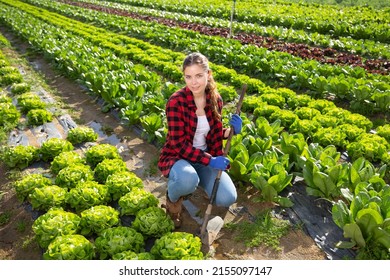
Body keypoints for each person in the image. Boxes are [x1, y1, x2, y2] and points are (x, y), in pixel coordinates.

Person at [158, 52, 242, 228]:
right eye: (188, 77)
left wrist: (231, 131)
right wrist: (210, 160)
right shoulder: (176, 102)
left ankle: (198, 182)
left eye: (198, 75)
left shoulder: (215, 100)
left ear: (208, 74)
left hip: (204, 159)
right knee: (187, 178)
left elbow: (214, 134)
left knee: (228, 197)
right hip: (179, 158)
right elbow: (179, 145)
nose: (193, 82)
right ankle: (173, 201)